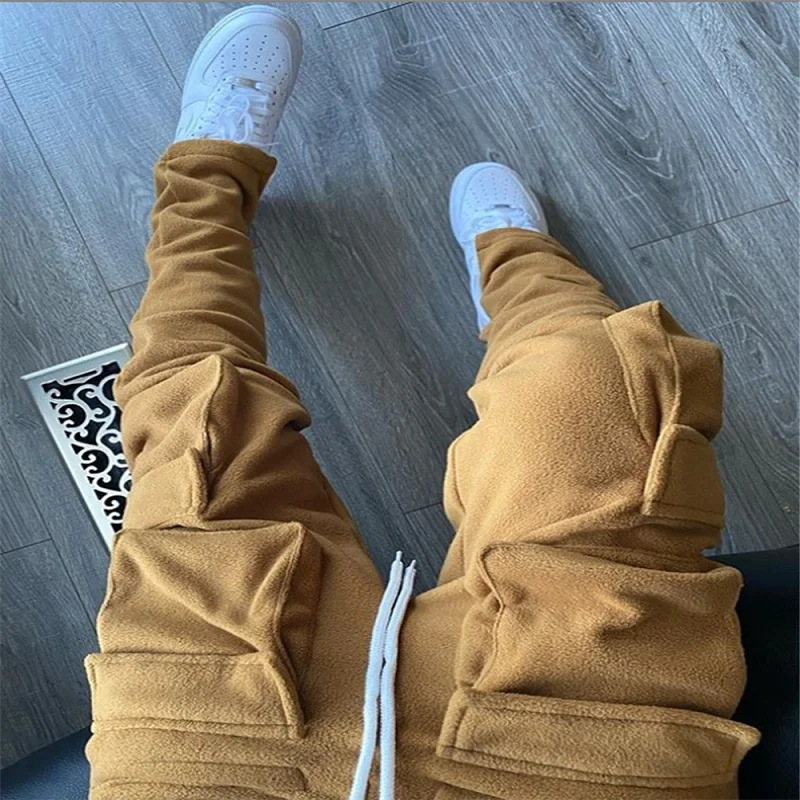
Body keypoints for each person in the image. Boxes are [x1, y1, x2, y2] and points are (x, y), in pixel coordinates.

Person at [84, 6, 760, 799]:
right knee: (606, 389)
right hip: (569, 764)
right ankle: (519, 263)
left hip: (212, 761)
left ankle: (204, 177)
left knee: (194, 416)